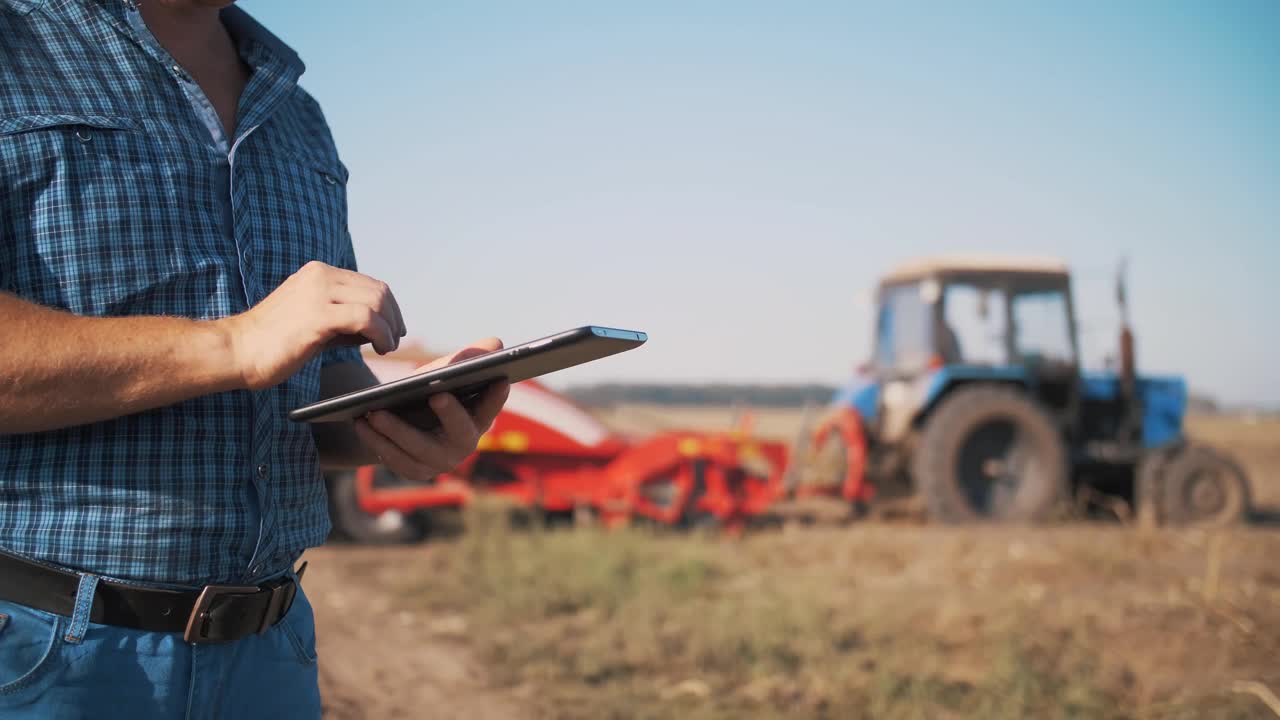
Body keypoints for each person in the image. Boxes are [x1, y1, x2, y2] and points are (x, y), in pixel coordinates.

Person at [0, 1, 509, 717]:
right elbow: (255, 344)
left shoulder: (297, 111)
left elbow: (310, 370)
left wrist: (384, 426)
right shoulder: (15, 43)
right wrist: (236, 345)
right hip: (42, 652)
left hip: (271, 653)